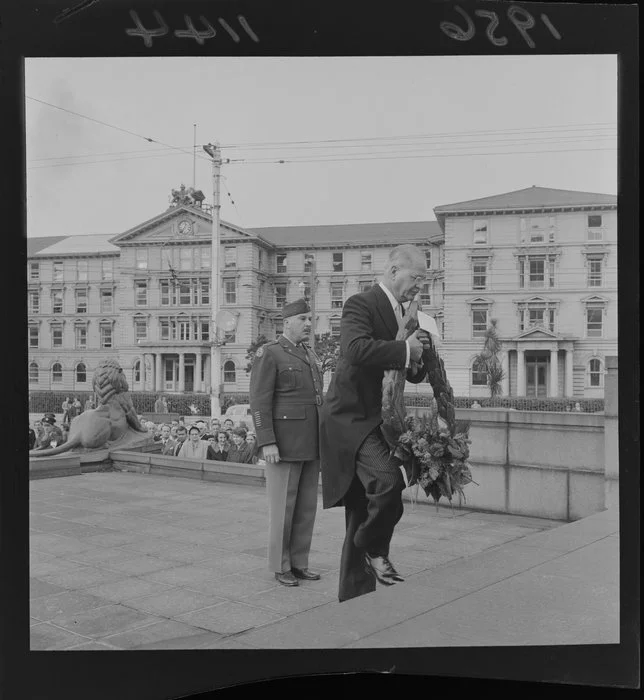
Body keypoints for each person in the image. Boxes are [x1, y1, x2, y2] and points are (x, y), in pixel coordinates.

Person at [320, 245, 431, 602]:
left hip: (379, 418)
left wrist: (417, 360)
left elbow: (409, 370)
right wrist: (404, 351)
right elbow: (355, 349)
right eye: (416, 278)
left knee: (365, 504)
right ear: (394, 270)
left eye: (424, 281)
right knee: (386, 480)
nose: (420, 287)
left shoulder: (407, 313)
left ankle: (356, 595)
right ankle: (371, 548)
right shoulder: (361, 303)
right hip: (352, 418)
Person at [250, 298, 324, 587]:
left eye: (310, 319)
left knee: (306, 508)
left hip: (310, 443)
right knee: (283, 509)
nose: (308, 324)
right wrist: (267, 441)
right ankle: (281, 566)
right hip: (282, 446)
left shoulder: (309, 354)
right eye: (303, 319)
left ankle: (299, 562)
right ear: (287, 322)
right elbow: (259, 401)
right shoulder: (270, 354)